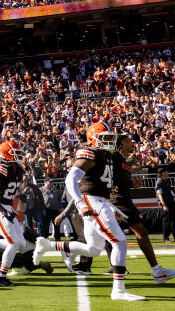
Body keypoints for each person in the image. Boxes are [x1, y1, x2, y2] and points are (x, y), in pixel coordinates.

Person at [33, 123, 144, 301]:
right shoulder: (90, 153)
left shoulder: (106, 155)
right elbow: (71, 179)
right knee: (119, 242)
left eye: (110, 137)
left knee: (93, 249)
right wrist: (80, 203)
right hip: (91, 200)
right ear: (93, 138)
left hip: (101, 200)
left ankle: (49, 245)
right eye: (104, 137)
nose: (109, 141)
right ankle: (119, 290)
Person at [100, 135, 175, 283]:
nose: (132, 143)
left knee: (104, 240)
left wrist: (132, 183)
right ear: (121, 143)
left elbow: (120, 180)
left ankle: (118, 267)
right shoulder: (114, 157)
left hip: (123, 200)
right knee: (140, 231)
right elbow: (104, 173)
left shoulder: (124, 160)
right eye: (128, 141)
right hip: (118, 201)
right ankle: (157, 271)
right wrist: (106, 189)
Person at [0, 141, 33, 287]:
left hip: (8, 206)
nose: (19, 155)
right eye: (15, 153)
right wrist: (4, 211)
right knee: (13, 243)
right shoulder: (2, 168)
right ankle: (1, 277)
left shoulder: (17, 168)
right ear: (6, 154)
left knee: (21, 242)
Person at [154, 167, 175, 242]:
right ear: (163, 172)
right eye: (167, 171)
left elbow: (170, 191)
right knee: (166, 220)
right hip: (165, 203)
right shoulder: (159, 181)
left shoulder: (167, 180)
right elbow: (159, 194)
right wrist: (163, 204)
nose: (168, 173)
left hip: (171, 202)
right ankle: (166, 237)